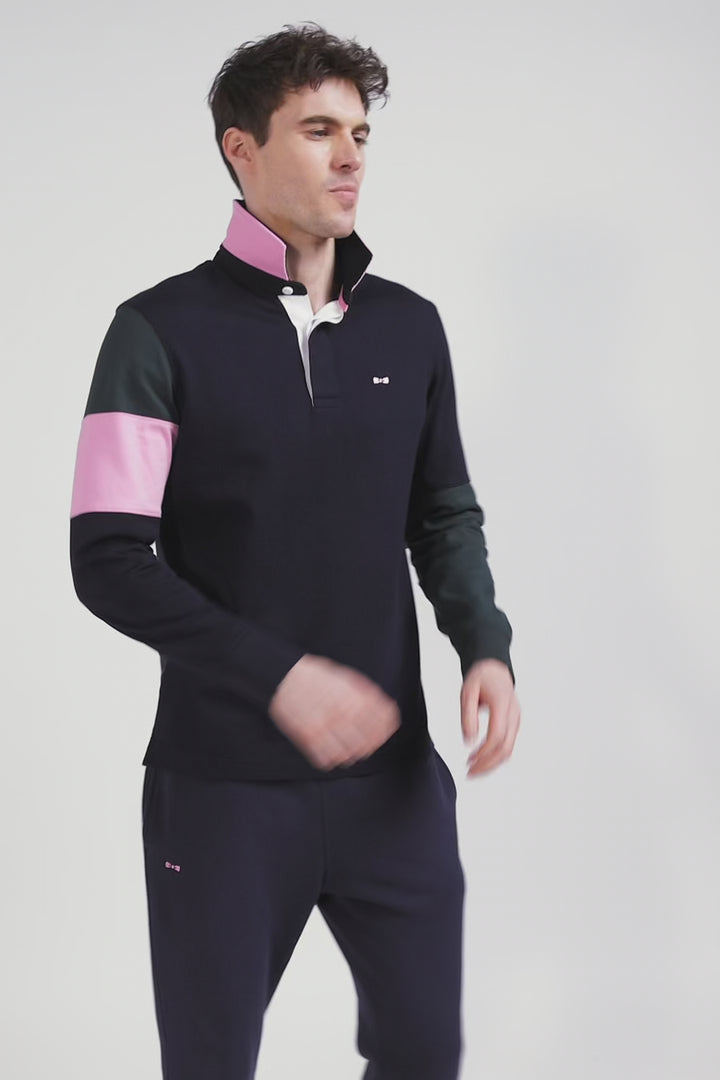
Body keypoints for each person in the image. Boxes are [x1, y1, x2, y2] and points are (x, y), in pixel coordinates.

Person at [69, 21, 521, 1080]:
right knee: (210, 1065)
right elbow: (107, 558)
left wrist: (484, 643)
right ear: (242, 148)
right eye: (319, 130)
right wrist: (279, 675)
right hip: (222, 791)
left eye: (360, 133)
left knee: (424, 1056)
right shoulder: (155, 332)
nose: (351, 156)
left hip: (395, 787)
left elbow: (443, 514)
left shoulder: (410, 327)